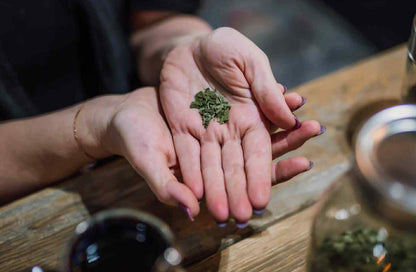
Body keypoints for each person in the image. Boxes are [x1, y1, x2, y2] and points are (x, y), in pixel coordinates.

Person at [0, 1, 323, 226]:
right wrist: (97, 122)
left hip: (154, 143)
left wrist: (187, 45)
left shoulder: (207, 104)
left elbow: (157, 21)